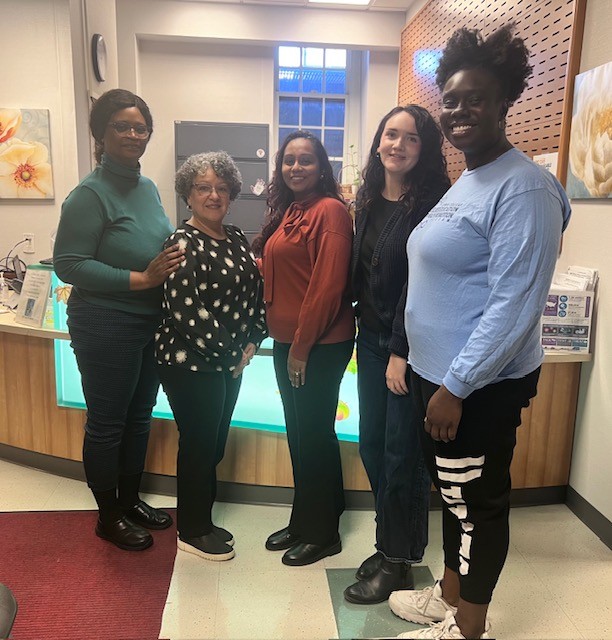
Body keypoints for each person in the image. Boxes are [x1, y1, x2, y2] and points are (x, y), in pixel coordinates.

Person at [388, 25, 571, 639]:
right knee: (454, 496)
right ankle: (447, 596)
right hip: (437, 374)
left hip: (475, 387)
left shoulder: (526, 188)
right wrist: (420, 364)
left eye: (476, 99)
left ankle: (469, 628)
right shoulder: (471, 177)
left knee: (476, 504)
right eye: (452, 99)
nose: (460, 111)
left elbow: (514, 305)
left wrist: (457, 385)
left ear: (504, 102)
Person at [54, 89, 184, 551]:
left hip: (151, 323)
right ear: (101, 133)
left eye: (139, 127)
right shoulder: (89, 195)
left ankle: (129, 500)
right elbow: (68, 264)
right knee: (108, 423)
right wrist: (140, 278)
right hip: (105, 322)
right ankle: (107, 515)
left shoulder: (146, 187)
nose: (132, 134)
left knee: (139, 418)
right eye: (121, 126)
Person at [344, 106, 450, 605]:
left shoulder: (432, 204)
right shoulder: (368, 199)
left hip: (405, 347)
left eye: (411, 138)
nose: (398, 144)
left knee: (400, 456)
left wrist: (401, 352)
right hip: (370, 341)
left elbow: (421, 283)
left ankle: (399, 561)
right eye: (391, 134)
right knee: (371, 446)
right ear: (378, 141)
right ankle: (390, 542)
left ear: (425, 149)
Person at [156, 151, 267, 561]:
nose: (214, 195)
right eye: (204, 187)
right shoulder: (180, 242)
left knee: (214, 444)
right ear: (188, 193)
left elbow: (255, 293)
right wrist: (232, 352)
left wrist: (254, 338)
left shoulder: (236, 237)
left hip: (230, 363)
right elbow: (187, 311)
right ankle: (193, 529)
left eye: (221, 187)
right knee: (200, 443)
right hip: (190, 364)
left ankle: (201, 517)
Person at [252, 130, 355, 567]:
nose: (296, 167)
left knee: (311, 436)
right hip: (288, 341)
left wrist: (301, 347)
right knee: (302, 434)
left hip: (317, 344)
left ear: (322, 167)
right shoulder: (292, 210)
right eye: (289, 160)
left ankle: (322, 533)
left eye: (306, 160)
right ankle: (308, 516)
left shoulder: (330, 211)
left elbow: (327, 288)